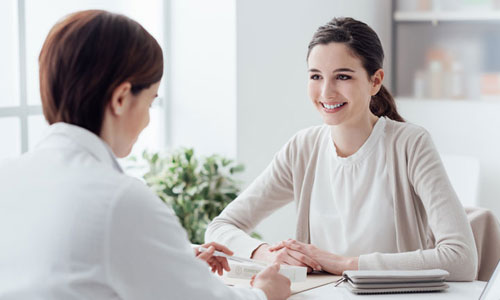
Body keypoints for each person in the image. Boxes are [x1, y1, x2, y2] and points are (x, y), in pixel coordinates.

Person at [0, 10, 290, 300]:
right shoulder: (119, 201)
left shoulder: (8, 177)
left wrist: (175, 259)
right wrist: (264, 293)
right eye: (151, 101)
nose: (148, 120)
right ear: (121, 99)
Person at [205, 17, 478, 281]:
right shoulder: (303, 148)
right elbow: (220, 228)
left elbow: (461, 258)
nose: (326, 92)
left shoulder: (409, 144)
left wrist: (345, 265)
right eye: (315, 76)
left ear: (375, 81)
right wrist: (264, 253)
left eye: (343, 77)